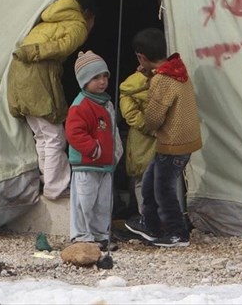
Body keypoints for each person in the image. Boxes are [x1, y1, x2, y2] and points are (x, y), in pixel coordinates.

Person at [8, 0, 95, 200]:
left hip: (17, 75)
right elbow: (63, 47)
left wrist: (28, 52)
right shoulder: (78, 24)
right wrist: (33, 52)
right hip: (37, 75)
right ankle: (57, 187)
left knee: (42, 135)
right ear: (88, 14)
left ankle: (48, 181)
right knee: (55, 135)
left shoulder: (50, 18)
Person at [125, 28, 202, 247]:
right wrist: (150, 74)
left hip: (172, 143)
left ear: (141, 57)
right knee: (150, 180)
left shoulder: (162, 81)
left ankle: (177, 233)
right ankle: (150, 223)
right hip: (183, 140)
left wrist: (146, 124)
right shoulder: (177, 70)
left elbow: (154, 116)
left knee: (163, 189)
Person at [65, 51, 122, 247]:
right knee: (84, 202)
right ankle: (82, 236)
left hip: (105, 165)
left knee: (103, 203)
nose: (102, 81)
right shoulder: (80, 105)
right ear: (84, 81)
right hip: (86, 164)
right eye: (95, 77)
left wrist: (114, 153)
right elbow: (74, 133)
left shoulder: (105, 103)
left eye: (105, 76)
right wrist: (92, 148)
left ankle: (100, 235)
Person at [119, 67, 155, 214]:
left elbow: (130, 113)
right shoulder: (169, 80)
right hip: (152, 138)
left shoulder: (130, 84)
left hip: (140, 138)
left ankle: (147, 219)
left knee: (141, 181)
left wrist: (149, 127)